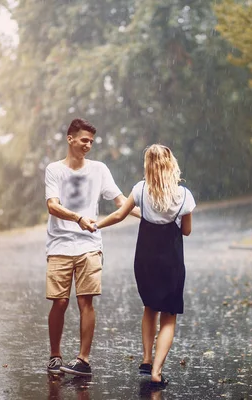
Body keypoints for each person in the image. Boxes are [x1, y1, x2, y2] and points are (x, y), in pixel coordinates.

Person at [44, 118, 139, 377]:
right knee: (60, 302)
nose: (88, 145)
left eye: (91, 142)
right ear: (70, 139)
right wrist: (77, 218)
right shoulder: (54, 170)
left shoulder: (99, 169)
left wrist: (152, 216)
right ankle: (55, 355)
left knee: (86, 301)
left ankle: (83, 360)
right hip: (60, 244)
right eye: (84, 140)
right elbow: (52, 205)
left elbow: (122, 202)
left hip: (89, 244)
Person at [96, 144, 195, 386]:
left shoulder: (141, 190)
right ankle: (157, 371)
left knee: (149, 307)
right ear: (171, 165)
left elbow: (119, 214)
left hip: (145, 260)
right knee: (169, 316)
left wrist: (95, 224)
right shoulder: (184, 196)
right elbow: (187, 231)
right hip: (171, 261)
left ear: (148, 167)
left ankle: (146, 360)